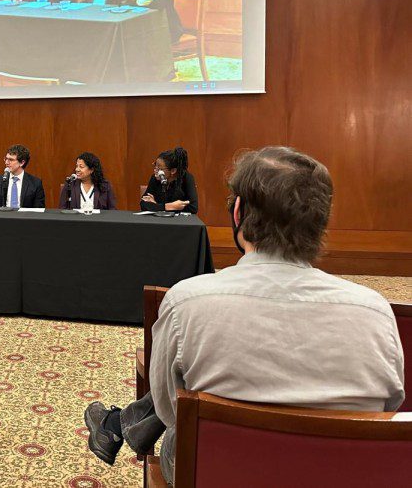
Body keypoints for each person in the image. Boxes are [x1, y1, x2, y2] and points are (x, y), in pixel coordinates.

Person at [84, 146, 405, 485]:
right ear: (322, 221)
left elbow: (166, 410)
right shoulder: (375, 312)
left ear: (238, 212)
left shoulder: (186, 303)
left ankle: (114, 425)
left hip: (211, 473)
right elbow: (390, 405)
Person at [140, 147, 198, 214]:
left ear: (173, 170)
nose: (155, 170)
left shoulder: (186, 178)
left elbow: (193, 208)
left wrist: (156, 205)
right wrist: (169, 206)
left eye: (159, 168)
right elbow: (143, 204)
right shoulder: (155, 178)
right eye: (155, 165)